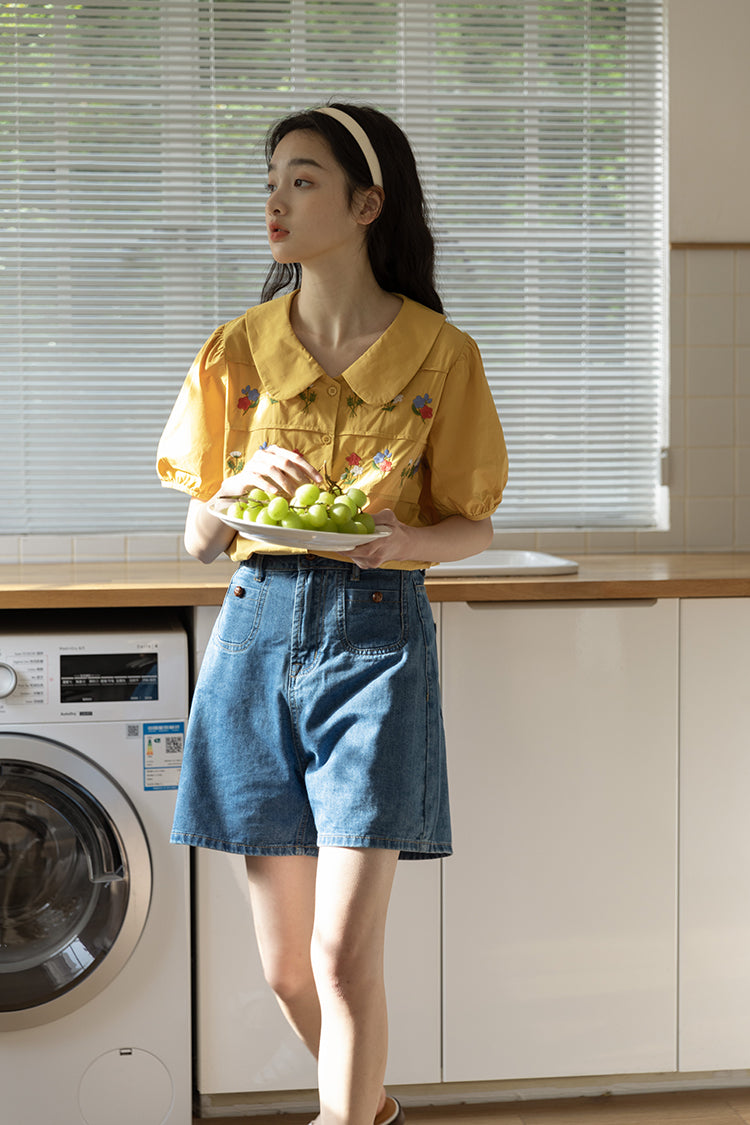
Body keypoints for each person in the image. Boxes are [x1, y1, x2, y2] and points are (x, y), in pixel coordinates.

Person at [156, 102, 508, 1125]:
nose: (275, 200)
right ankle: (377, 1112)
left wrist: (406, 545)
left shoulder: (443, 355)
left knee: (343, 958)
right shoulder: (236, 351)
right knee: (286, 972)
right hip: (256, 633)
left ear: (365, 204)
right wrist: (227, 491)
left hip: (378, 640)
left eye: (302, 181)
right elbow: (200, 542)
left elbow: (472, 525)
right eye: (272, 180)